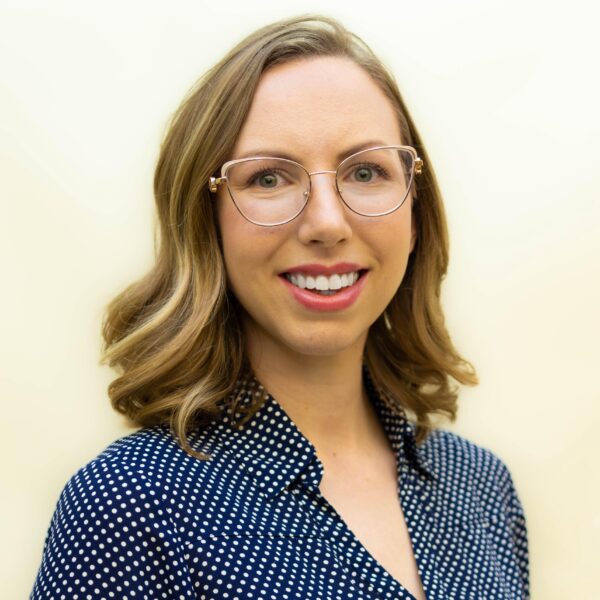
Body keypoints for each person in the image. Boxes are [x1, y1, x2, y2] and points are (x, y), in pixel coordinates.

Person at [30, 15, 529, 600]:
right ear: (205, 223)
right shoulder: (131, 502)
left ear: (415, 213)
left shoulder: (481, 486)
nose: (326, 222)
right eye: (268, 178)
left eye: (367, 171)